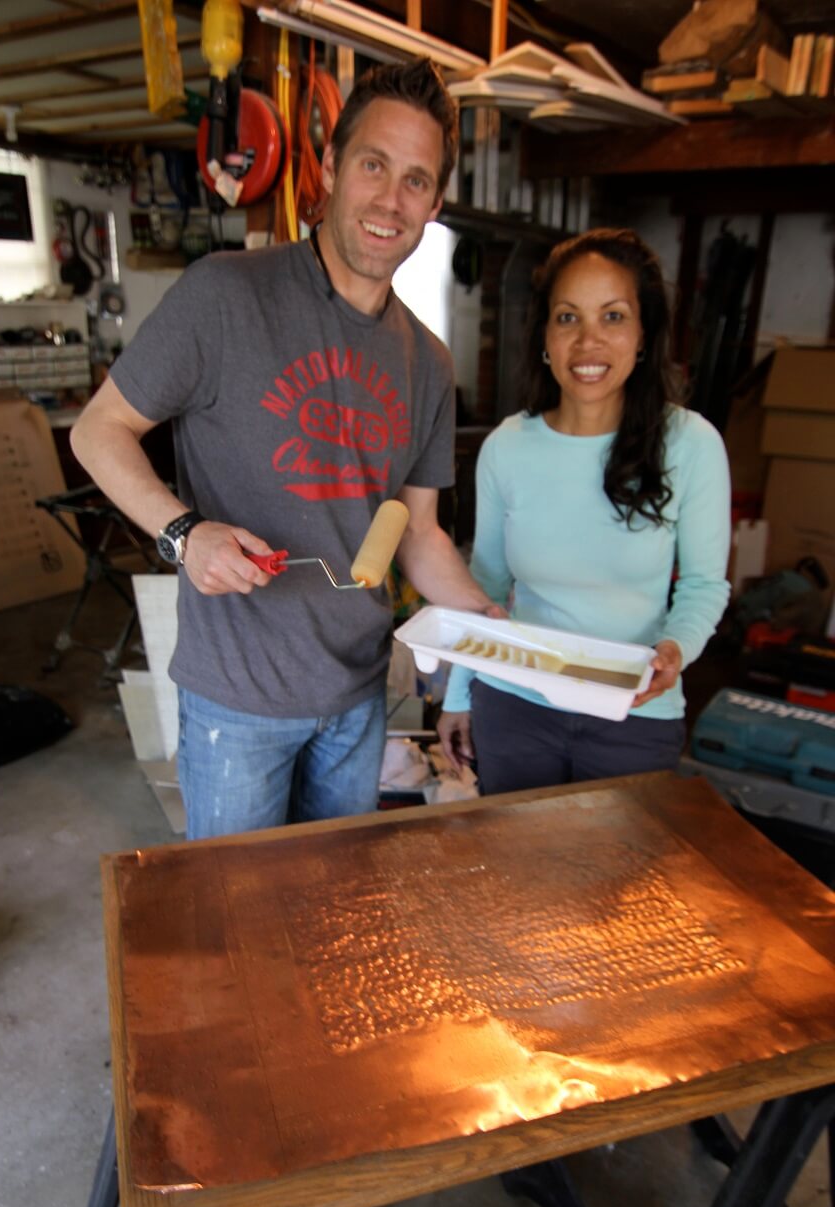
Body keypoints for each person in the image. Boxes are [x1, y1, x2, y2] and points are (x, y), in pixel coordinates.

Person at [71, 58, 500, 840]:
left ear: (435, 203)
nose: (390, 200)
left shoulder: (428, 364)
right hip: (237, 701)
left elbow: (422, 529)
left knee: (331, 916)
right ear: (331, 169)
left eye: (415, 180)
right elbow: (98, 430)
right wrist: (182, 534)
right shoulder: (225, 295)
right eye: (374, 165)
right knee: (239, 928)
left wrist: (489, 621)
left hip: (357, 700)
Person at [437, 227, 731, 793]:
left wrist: (674, 652)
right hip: (514, 706)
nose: (588, 341)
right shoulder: (507, 447)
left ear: (644, 334)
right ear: (545, 335)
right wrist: (457, 697)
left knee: (622, 882)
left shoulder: (691, 445)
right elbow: (486, 587)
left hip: (634, 712)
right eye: (568, 317)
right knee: (517, 875)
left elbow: (702, 585)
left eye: (613, 317)